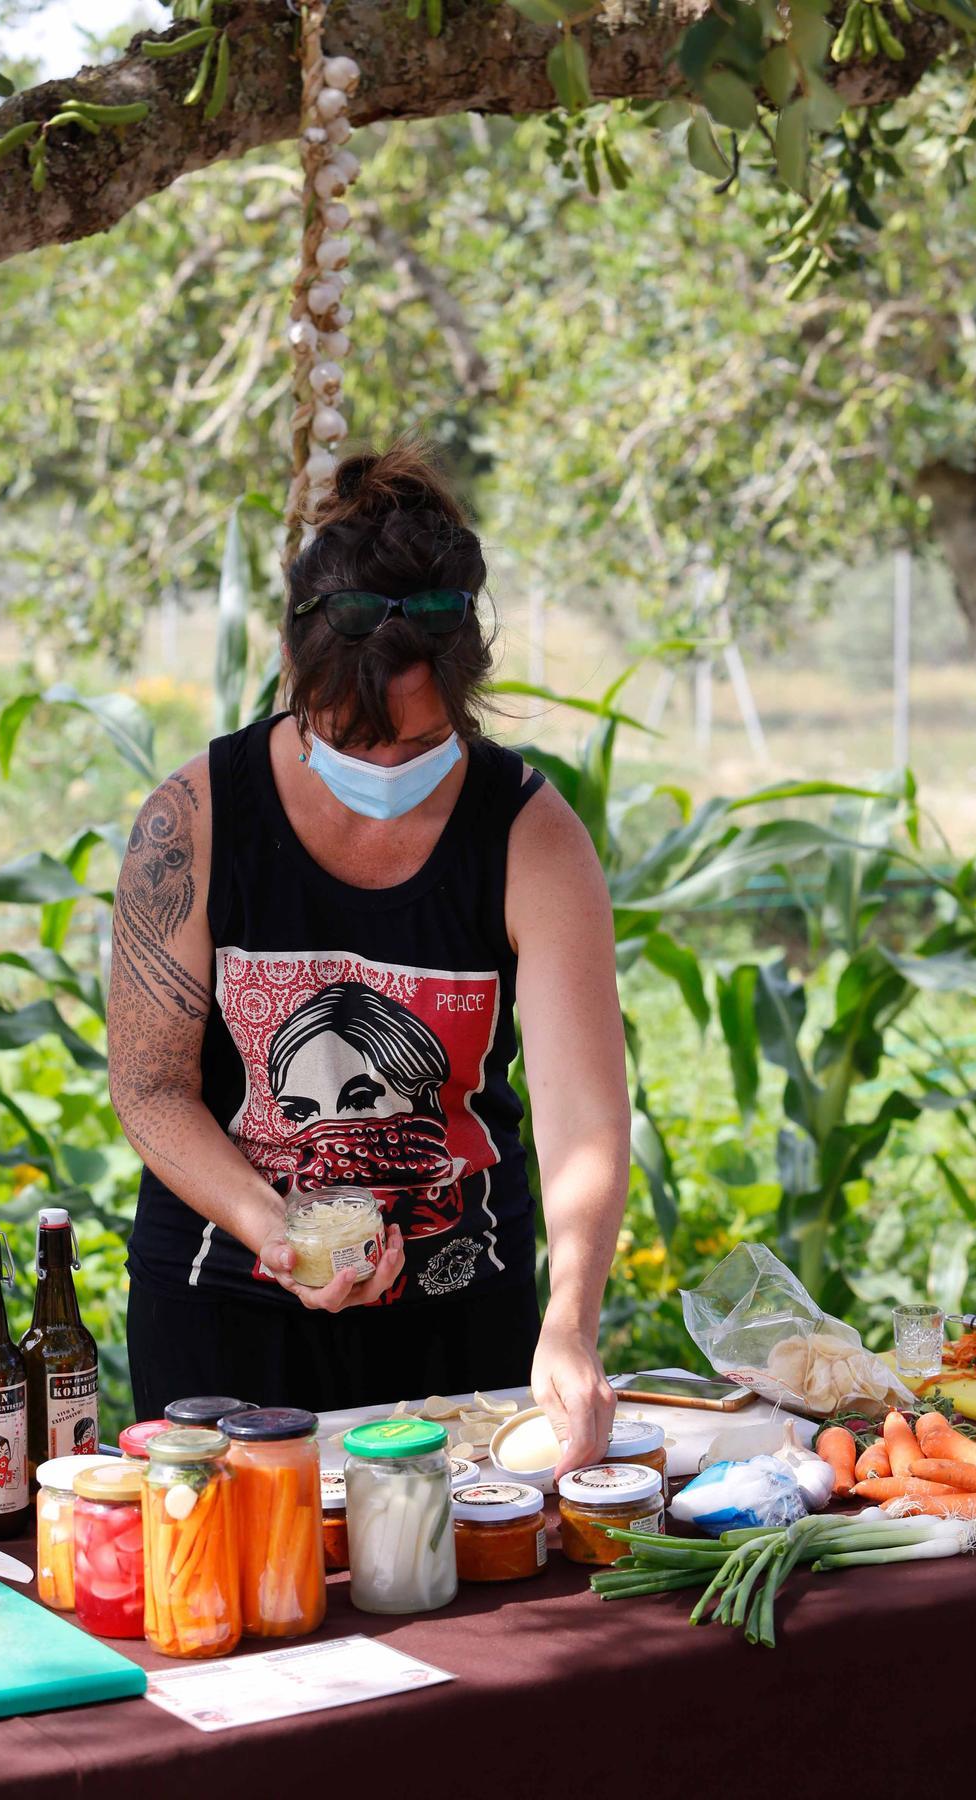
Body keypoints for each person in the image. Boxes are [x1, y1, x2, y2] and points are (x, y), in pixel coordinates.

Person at [110, 435, 630, 1477]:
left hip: (460, 1315)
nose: (387, 765)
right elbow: (151, 1088)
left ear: (465, 690)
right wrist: (281, 1231)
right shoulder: (194, 820)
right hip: (222, 1307)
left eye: (417, 742)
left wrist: (570, 1317)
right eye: (352, 740)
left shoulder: (531, 835)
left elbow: (584, 1121)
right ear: (300, 674)